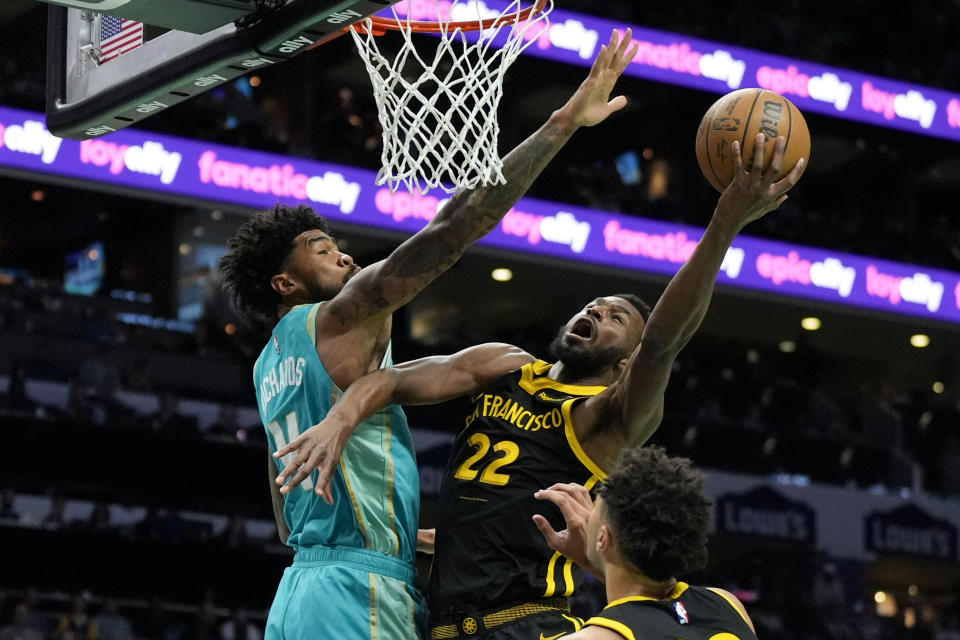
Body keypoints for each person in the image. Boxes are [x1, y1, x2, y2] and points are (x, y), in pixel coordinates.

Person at [273, 135, 804, 638]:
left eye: (616, 317)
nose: (596, 309)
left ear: (625, 363)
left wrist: (725, 223)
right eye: (595, 305)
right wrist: (340, 419)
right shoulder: (505, 364)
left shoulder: (607, 417)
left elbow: (664, 340)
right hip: (438, 620)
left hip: (527, 621)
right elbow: (388, 380)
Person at [217, 29, 641, 640]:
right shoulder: (341, 317)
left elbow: (289, 518)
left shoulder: (267, 366)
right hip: (360, 592)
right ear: (285, 283)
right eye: (321, 249)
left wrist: (406, 535)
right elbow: (452, 230)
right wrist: (562, 123)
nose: (342, 256)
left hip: (301, 590)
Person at [532, 446, 758, 640]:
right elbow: (658, 609)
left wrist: (604, 557)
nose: (587, 516)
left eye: (595, 510)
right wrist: (601, 559)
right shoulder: (728, 605)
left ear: (604, 537)